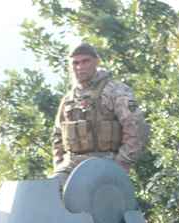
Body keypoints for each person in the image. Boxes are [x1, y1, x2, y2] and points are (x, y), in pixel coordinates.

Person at [51, 42, 148, 177]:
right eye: (75, 63)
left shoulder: (115, 91)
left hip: (105, 161)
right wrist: (59, 163)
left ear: (96, 62)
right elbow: (58, 136)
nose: (80, 67)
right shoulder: (69, 99)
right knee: (52, 185)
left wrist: (122, 162)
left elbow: (136, 127)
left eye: (85, 61)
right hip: (71, 164)